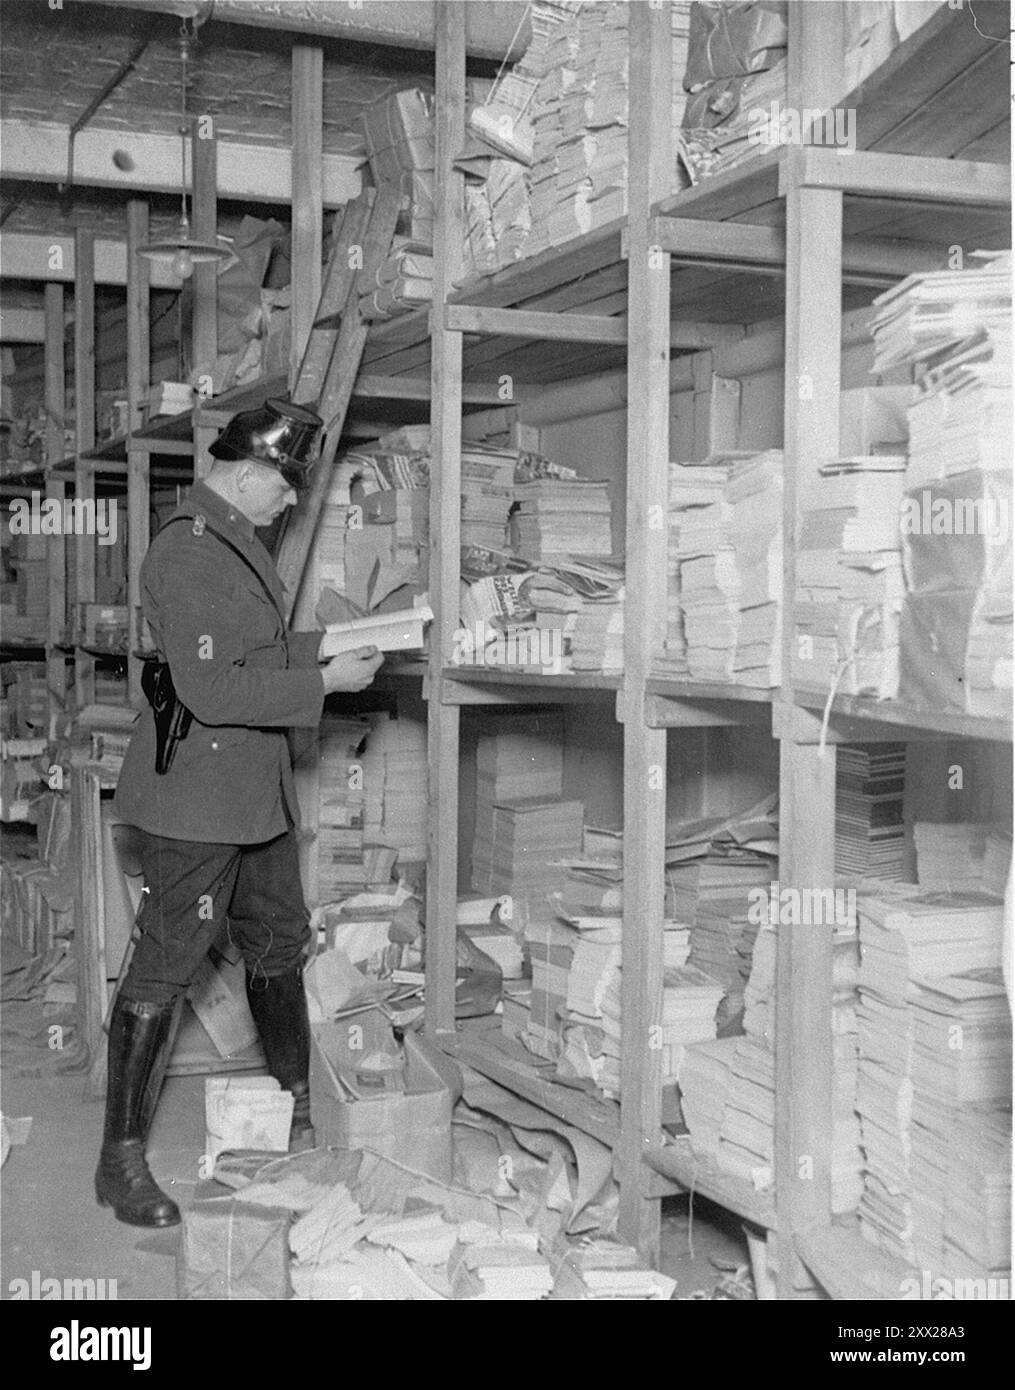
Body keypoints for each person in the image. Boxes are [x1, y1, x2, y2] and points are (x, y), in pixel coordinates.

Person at [97, 398, 383, 1228]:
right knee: (165, 966)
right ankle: (119, 1164)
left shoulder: (229, 537)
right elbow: (212, 689)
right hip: (195, 799)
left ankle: (296, 1112)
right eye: (286, 489)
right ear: (250, 474)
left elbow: (251, 651)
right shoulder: (186, 552)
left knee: (278, 945)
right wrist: (324, 685)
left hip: (252, 795)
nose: (291, 502)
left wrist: (321, 651)